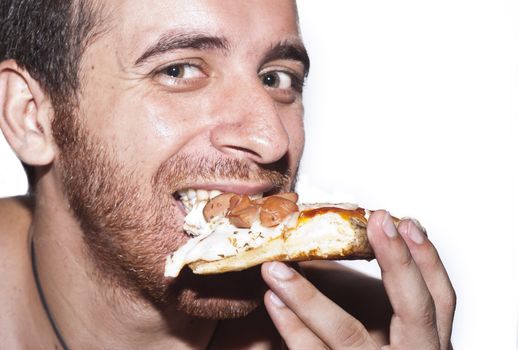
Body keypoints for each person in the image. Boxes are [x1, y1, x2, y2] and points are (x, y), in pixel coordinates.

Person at [0, 1, 456, 348]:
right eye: (178, 70)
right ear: (30, 116)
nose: (270, 138)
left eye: (277, 78)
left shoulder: (371, 328)